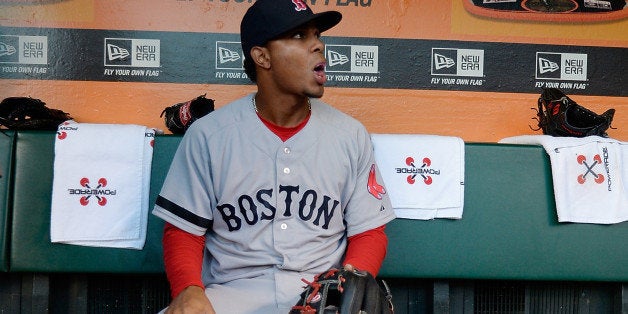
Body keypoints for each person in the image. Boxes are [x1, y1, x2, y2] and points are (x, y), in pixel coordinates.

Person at [152, 0, 396, 312]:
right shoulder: (209, 136)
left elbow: (369, 230)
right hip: (231, 294)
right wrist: (188, 290)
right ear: (262, 56)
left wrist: (349, 286)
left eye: (316, 35)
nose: (317, 45)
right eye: (299, 36)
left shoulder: (350, 135)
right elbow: (183, 232)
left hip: (320, 295)